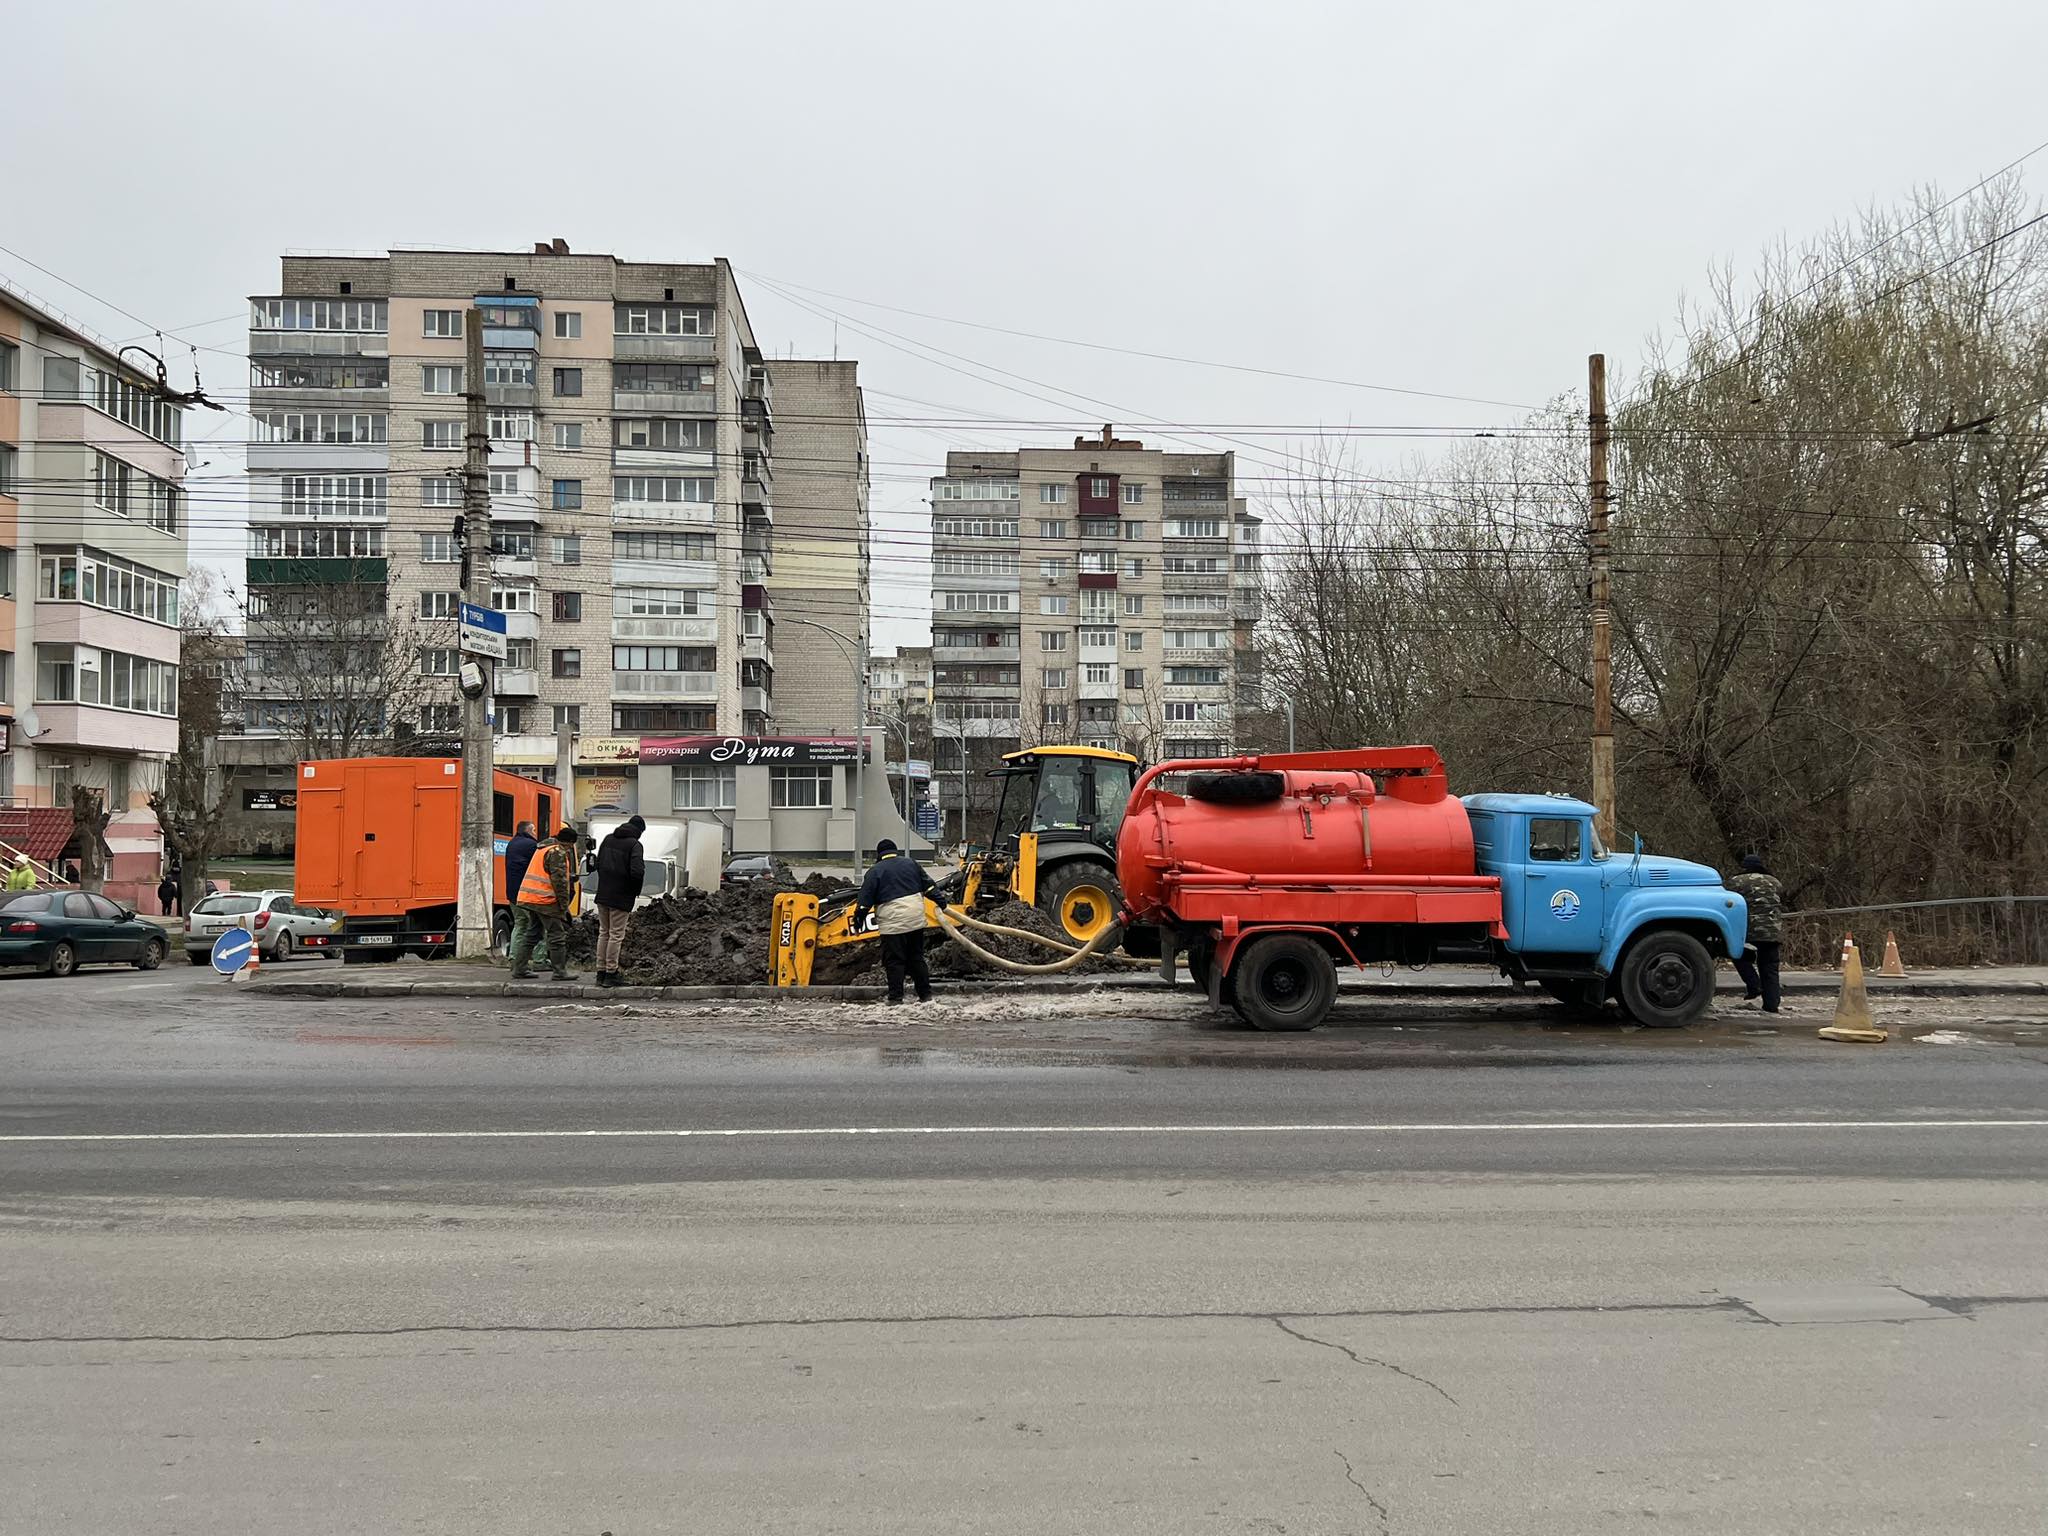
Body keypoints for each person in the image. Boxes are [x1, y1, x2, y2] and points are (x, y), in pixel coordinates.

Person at [851, 838, 937, 1005]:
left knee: (895, 961)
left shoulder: (875, 871)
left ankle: (895, 998)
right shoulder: (911, 863)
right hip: (916, 919)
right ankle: (926, 996)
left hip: (893, 924)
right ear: (895, 851)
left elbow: (864, 902)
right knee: (916, 958)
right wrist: (942, 903)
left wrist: (858, 921)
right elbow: (930, 887)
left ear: (879, 855)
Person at [510, 825, 581, 981]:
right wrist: (563, 906)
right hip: (545, 900)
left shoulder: (542, 848)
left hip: (531, 898)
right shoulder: (557, 852)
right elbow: (560, 881)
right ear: (568, 842)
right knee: (557, 935)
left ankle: (519, 969)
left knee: (533, 933)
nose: (570, 849)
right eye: (570, 846)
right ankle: (560, 972)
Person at [1726, 853, 1784, 1014]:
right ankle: (1771, 1006)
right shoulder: (1774, 882)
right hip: (1773, 932)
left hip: (1749, 930)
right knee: (1770, 968)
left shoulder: (1736, 881)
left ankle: (1754, 984)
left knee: (1739, 956)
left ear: (1744, 866)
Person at [592, 816, 645, 988]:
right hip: (621, 896)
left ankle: (600, 972)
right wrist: (634, 890)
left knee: (604, 932)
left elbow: (598, 864)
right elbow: (637, 872)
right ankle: (611, 973)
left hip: (603, 893)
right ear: (639, 830)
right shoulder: (634, 845)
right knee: (616, 934)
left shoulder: (608, 839)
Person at [502, 821, 550, 971]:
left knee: (520, 924)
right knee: (537, 925)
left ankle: (514, 958)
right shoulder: (531, 845)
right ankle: (539, 960)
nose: (536, 833)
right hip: (528, 894)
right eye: (534, 830)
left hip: (512, 893)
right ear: (529, 831)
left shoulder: (512, 844)